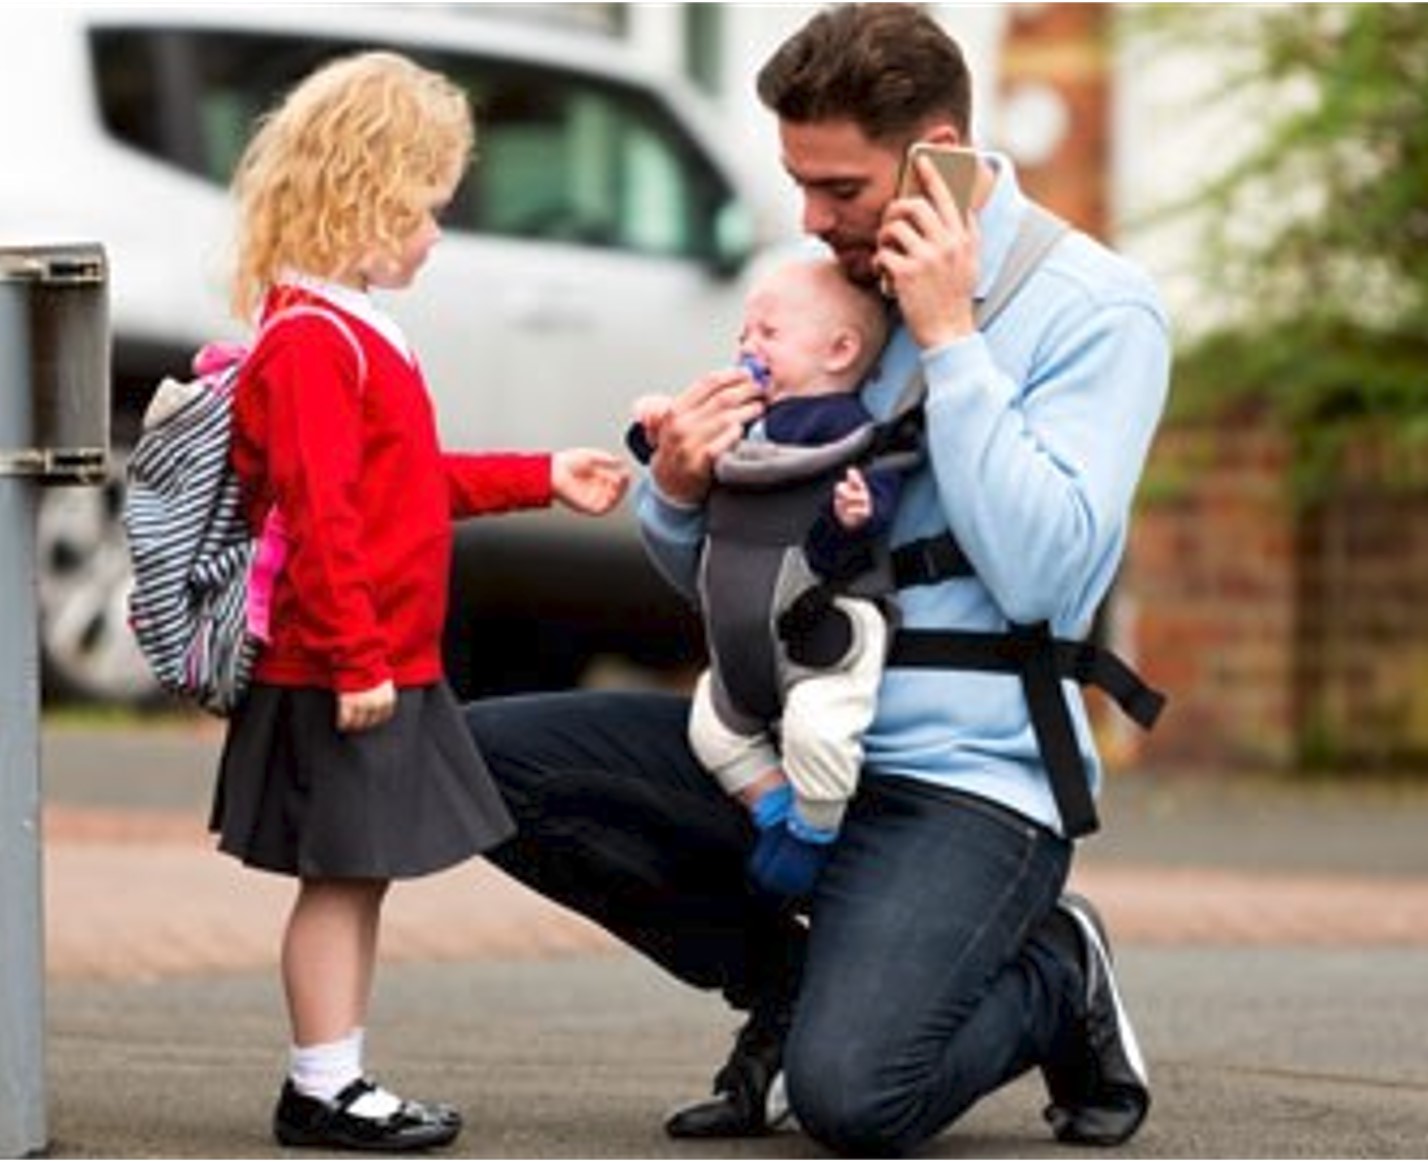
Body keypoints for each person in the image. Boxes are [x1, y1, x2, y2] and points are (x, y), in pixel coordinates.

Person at [466, 4, 1170, 1155]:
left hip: (966, 778)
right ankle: (792, 988)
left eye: (840, 188)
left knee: (855, 1101)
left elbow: (1046, 574)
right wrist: (684, 492)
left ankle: (1056, 971)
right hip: (780, 739)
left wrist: (951, 342)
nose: (812, 219)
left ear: (937, 148)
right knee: (479, 763)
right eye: (800, 184)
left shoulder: (1095, 309)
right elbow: (723, 570)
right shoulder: (824, 291)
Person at [209, 50, 629, 1153]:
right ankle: (322, 1083)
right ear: (363, 190)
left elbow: (404, 483)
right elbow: (320, 512)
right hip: (342, 661)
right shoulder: (310, 342)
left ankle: (334, 1074)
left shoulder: (349, 326)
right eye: (424, 209)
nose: (437, 235)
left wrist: (544, 474)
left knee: (360, 875)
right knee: (342, 877)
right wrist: (356, 658)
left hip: (376, 653)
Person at [631, 255, 899, 904]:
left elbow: (875, 490)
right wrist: (662, 432)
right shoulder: (753, 419)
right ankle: (775, 808)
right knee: (713, 729)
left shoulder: (841, 427)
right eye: (744, 335)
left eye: (768, 335)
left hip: (823, 641)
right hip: (743, 653)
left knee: (820, 732)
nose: (748, 348)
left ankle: (814, 832)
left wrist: (860, 510)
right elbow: (696, 460)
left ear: (839, 351)